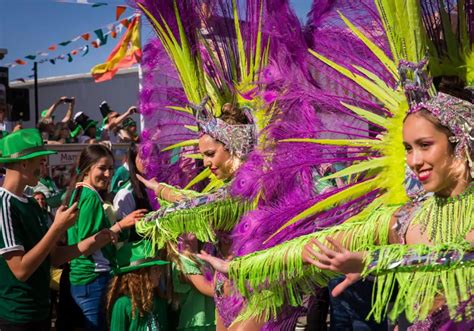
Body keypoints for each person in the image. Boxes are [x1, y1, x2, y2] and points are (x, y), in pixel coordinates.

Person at [0, 128, 116, 331]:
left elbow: (53, 258)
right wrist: (57, 227)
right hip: (17, 317)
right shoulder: (4, 203)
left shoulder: (31, 204)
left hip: (40, 312)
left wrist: (93, 241)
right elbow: (20, 270)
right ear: (24, 163)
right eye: (40, 161)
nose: (44, 166)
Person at [65, 144, 148, 330]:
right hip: (93, 278)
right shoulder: (90, 196)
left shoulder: (78, 192)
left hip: (85, 279)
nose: (108, 174)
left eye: (111, 168)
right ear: (87, 168)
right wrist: (120, 225)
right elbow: (88, 243)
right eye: (102, 168)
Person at [106, 240, 169, 331]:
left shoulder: (158, 300)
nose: (160, 273)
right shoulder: (123, 304)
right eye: (155, 269)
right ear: (141, 275)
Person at [113, 143, 151, 241]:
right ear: (133, 160)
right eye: (143, 157)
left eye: (153, 156)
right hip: (139, 254)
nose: (149, 161)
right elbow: (122, 236)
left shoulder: (160, 187)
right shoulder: (126, 193)